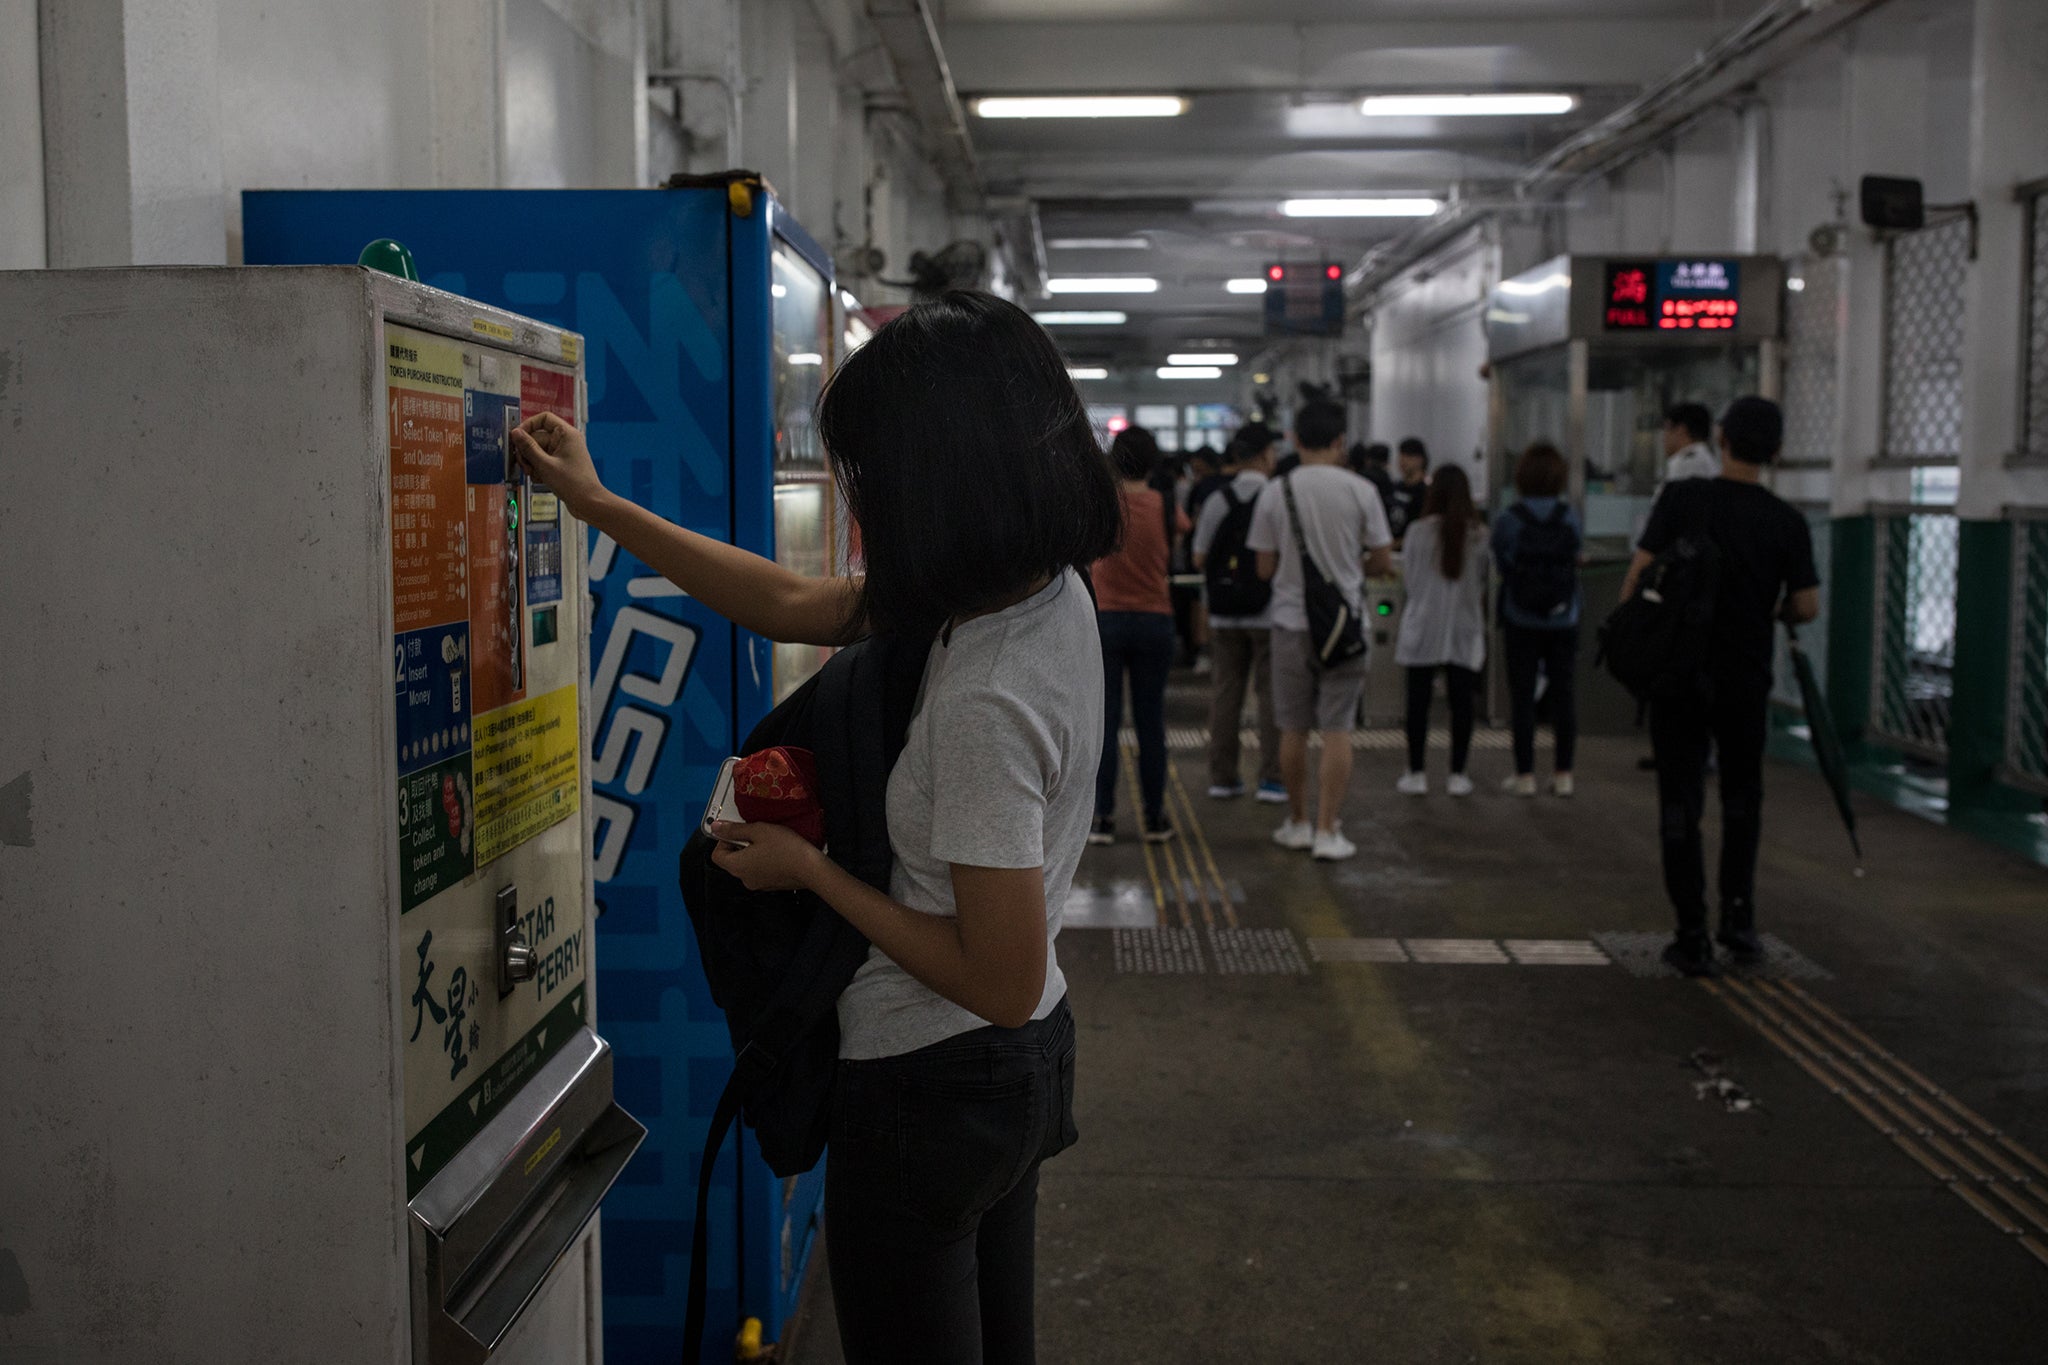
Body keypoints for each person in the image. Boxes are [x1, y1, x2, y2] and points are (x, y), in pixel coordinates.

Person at [508, 290, 1117, 1363]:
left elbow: (996, 975)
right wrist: (596, 505)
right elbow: (793, 602)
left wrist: (809, 873)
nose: (860, 497)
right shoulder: (1030, 588)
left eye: (873, 472)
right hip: (1015, 1072)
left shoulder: (985, 693)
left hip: (933, 1083)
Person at [1625, 396, 1820, 978]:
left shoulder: (1683, 499)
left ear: (1723, 441)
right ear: (1776, 453)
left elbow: (1638, 576)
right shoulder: (1786, 521)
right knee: (1741, 800)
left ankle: (1690, 934)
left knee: (1680, 802)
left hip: (1678, 676)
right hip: (1745, 678)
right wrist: (1769, 608)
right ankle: (1739, 922)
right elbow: (1806, 606)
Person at [1246, 398, 1394, 861]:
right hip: (1346, 626)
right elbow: (1383, 559)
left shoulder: (1275, 492)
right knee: (1337, 730)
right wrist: (1350, 568)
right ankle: (1329, 831)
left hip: (1290, 625)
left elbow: (1264, 569)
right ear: (1340, 442)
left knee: (1292, 728)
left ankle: (1298, 823)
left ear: (1293, 440)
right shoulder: (1361, 490)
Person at [1091, 425, 1186, 846]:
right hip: (1154, 621)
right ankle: (1155, 818)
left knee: (1105, 724)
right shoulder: (1166, 506)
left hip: (1106, 621)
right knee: (1151, 723)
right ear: (1155, 462)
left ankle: (1103, 819)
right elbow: (1180, 537)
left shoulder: (1103, 505)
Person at [1192, 429, 1286, 803]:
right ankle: (1272, 780)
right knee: (1270, 696)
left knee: (1226, 693)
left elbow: (1199, 557)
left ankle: (1223, 777)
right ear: (1265, 455)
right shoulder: (1277, 497)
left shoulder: (1219, 499)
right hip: (1269, 612)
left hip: (1225, 613)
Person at [1491, 442, 1582, 798]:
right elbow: (1575, 555)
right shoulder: (1568, 515)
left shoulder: (1509, 519)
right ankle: (1563, 774)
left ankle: (1524, 774)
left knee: (1523, 696)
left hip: (1520, 616)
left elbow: (1502, 562)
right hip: (1564, 617)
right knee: (1564, 695)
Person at [1393, 465, 1489, 797]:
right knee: (1461, 703)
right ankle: (1458, 775)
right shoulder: (1479, 534)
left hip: (1422, 626)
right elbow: (1483, 582)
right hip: (1464, 627)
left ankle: (1416, 772)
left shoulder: (1418, 532)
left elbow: (1409, 580)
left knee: (1417, 703)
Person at [1386, 436, 1430, 543]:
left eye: (1409, 456)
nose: (1402, 460)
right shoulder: (1394, 487)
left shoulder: (1426, 492)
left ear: (1420, 460)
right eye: (1401, 455)